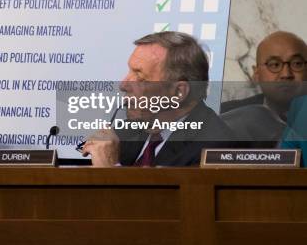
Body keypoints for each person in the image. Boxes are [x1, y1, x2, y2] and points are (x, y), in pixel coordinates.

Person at [81, 31, 235, 167]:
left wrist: (110, 169)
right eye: (129, 71)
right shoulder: (127, 130)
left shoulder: (213, 147)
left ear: (178, 92)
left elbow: (168, 200)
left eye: (140, 77)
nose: (123, 85)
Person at [221, 31, 307, 120]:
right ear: (256, 74)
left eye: (297, 64)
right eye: (275, 65)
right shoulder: (222, 116)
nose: (286, 74)